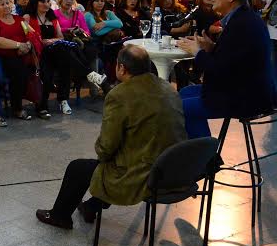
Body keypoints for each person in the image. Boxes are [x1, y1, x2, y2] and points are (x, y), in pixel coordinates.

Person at [35, 45, 187, 229]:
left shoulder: (120, 94)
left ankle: (59, 217)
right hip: (175, 168)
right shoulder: (167, 87)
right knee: (120, 157)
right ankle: (91, 207)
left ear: (122, 68)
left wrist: (105, 152)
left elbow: (106, 148)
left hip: (145, 175)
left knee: (79, 168)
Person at [176, 0, 276, 137]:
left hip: (245, 97)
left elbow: (220, 70)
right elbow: (234, 59)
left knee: (178, 108)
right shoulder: (242, 17)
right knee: (185, 93)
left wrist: (198, 52)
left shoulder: (242, 24)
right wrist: (212, 48)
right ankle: (206, 153)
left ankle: (204, 158)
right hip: (240, 88)